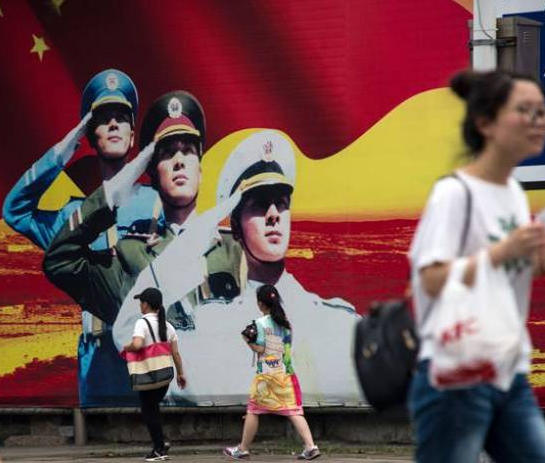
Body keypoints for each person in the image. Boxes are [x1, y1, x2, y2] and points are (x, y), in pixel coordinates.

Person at [43, 91, 243, 402]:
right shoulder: (129, 257)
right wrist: (110, 195)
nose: (179, 161)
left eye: (189, 151)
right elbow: (59, 262)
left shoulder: (234, 250)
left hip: (228, 414)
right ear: (150, 171)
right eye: (166, 154)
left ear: (201, 166)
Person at [408, 69, 545, 462]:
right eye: (525, 111)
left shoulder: (514, 195)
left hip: (507, 369)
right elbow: (432, 280)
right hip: (457, 373)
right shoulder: (454, 194)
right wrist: (503, 252)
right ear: (485, 122)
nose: (540, 122)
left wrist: (537, 257)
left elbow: (505, 274)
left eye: (542, 111)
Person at [2, 69, 159, 406]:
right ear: (90, 135)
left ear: (134, 136)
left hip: (149, 357)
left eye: (122, 118)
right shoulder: (69, 217)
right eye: (103, 120)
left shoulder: (159, 204)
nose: (114, 125)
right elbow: (15, 210)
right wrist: (65, 148)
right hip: (99, 365)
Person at [188, 129, 359, 405]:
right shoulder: (213, 324)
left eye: (281, 204)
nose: (273, 216)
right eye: (258, 206)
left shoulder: (339, 322)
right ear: (236, 226)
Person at [223, 284, 320, 460]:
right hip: (285, 372)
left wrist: (247, 341)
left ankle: (243, 449)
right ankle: (311, 446)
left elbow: (260, 349)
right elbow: (286, 348)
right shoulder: (285, 323)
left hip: (266, 375)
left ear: (260, 303)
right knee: (294, 411)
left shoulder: (260, 323)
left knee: (253, 410)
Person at [123, 287, 186, 461]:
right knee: (153, 408)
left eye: (141, 302)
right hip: (165, 377)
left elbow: (137, 344)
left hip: (148, 377)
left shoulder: (141, 323)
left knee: (148, 410)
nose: (140, 306)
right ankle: (161, 443)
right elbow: (176, 354)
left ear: (146, 305)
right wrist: (181, 374)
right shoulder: (168, 325)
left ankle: (159, 448)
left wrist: (127, 347)